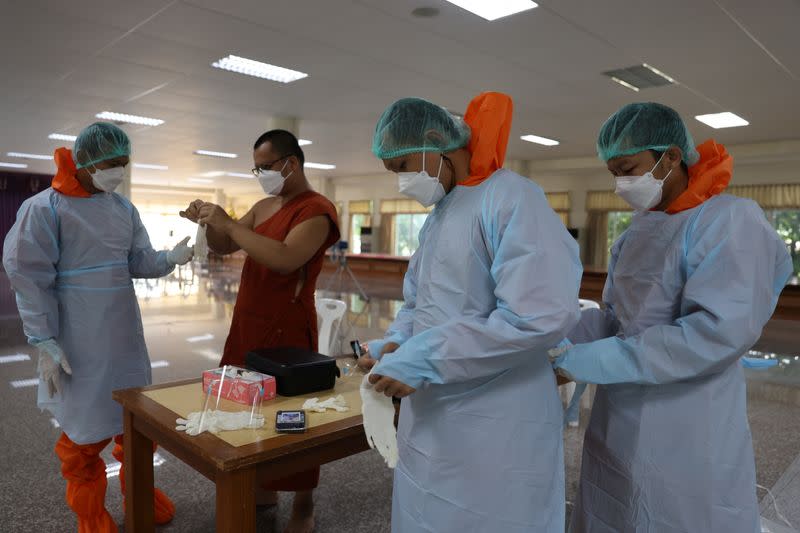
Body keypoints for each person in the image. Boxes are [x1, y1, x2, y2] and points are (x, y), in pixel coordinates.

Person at [552, 102, 793, 533]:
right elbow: (614, 319)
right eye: (613, 173)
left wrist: (592, 361)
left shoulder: (730, 222)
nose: (621, 183)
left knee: (677, 514)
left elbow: (714, 334)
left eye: (628, 168)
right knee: (616, 507)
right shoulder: (638, 231)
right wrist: (556, 339)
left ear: (671, 156)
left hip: (687, 419)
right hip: (619, 412)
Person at [358, 93, 582, 532]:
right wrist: (395, 344)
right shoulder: (441, 215)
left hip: (497, 418)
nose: (401, 182)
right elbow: (420, 305)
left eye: (402, 167)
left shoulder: (512, 199)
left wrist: (426, 357)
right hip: (431, 411)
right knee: (426, 513)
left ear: (435, 141)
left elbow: (533, 317)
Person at [3, 122, 193, 533]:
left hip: (123, 334)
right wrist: (44, 341)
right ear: (85, 161)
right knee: (84, 432)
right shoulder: (45, 208)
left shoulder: (122, 208)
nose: (119, 172)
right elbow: (28, 277)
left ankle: (138, 494)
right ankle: (90, 514)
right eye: (111, 164)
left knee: (136, 421)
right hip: (77, 335)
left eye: (124, 164)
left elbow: (136, 260)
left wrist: (169, 258)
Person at [180, 129, 339, 533]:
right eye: (256, 168)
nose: (261, 174)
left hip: (287, 329)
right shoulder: (265, 205)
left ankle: (304, 505)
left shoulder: (317, 211)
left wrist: (231, 226)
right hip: (249, 322)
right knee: (245, 407)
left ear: (292, 163)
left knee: (294, 417)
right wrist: (211, 221)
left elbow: (285, 259)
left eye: (266, 167)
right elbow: (223, 246)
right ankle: (263, 484)